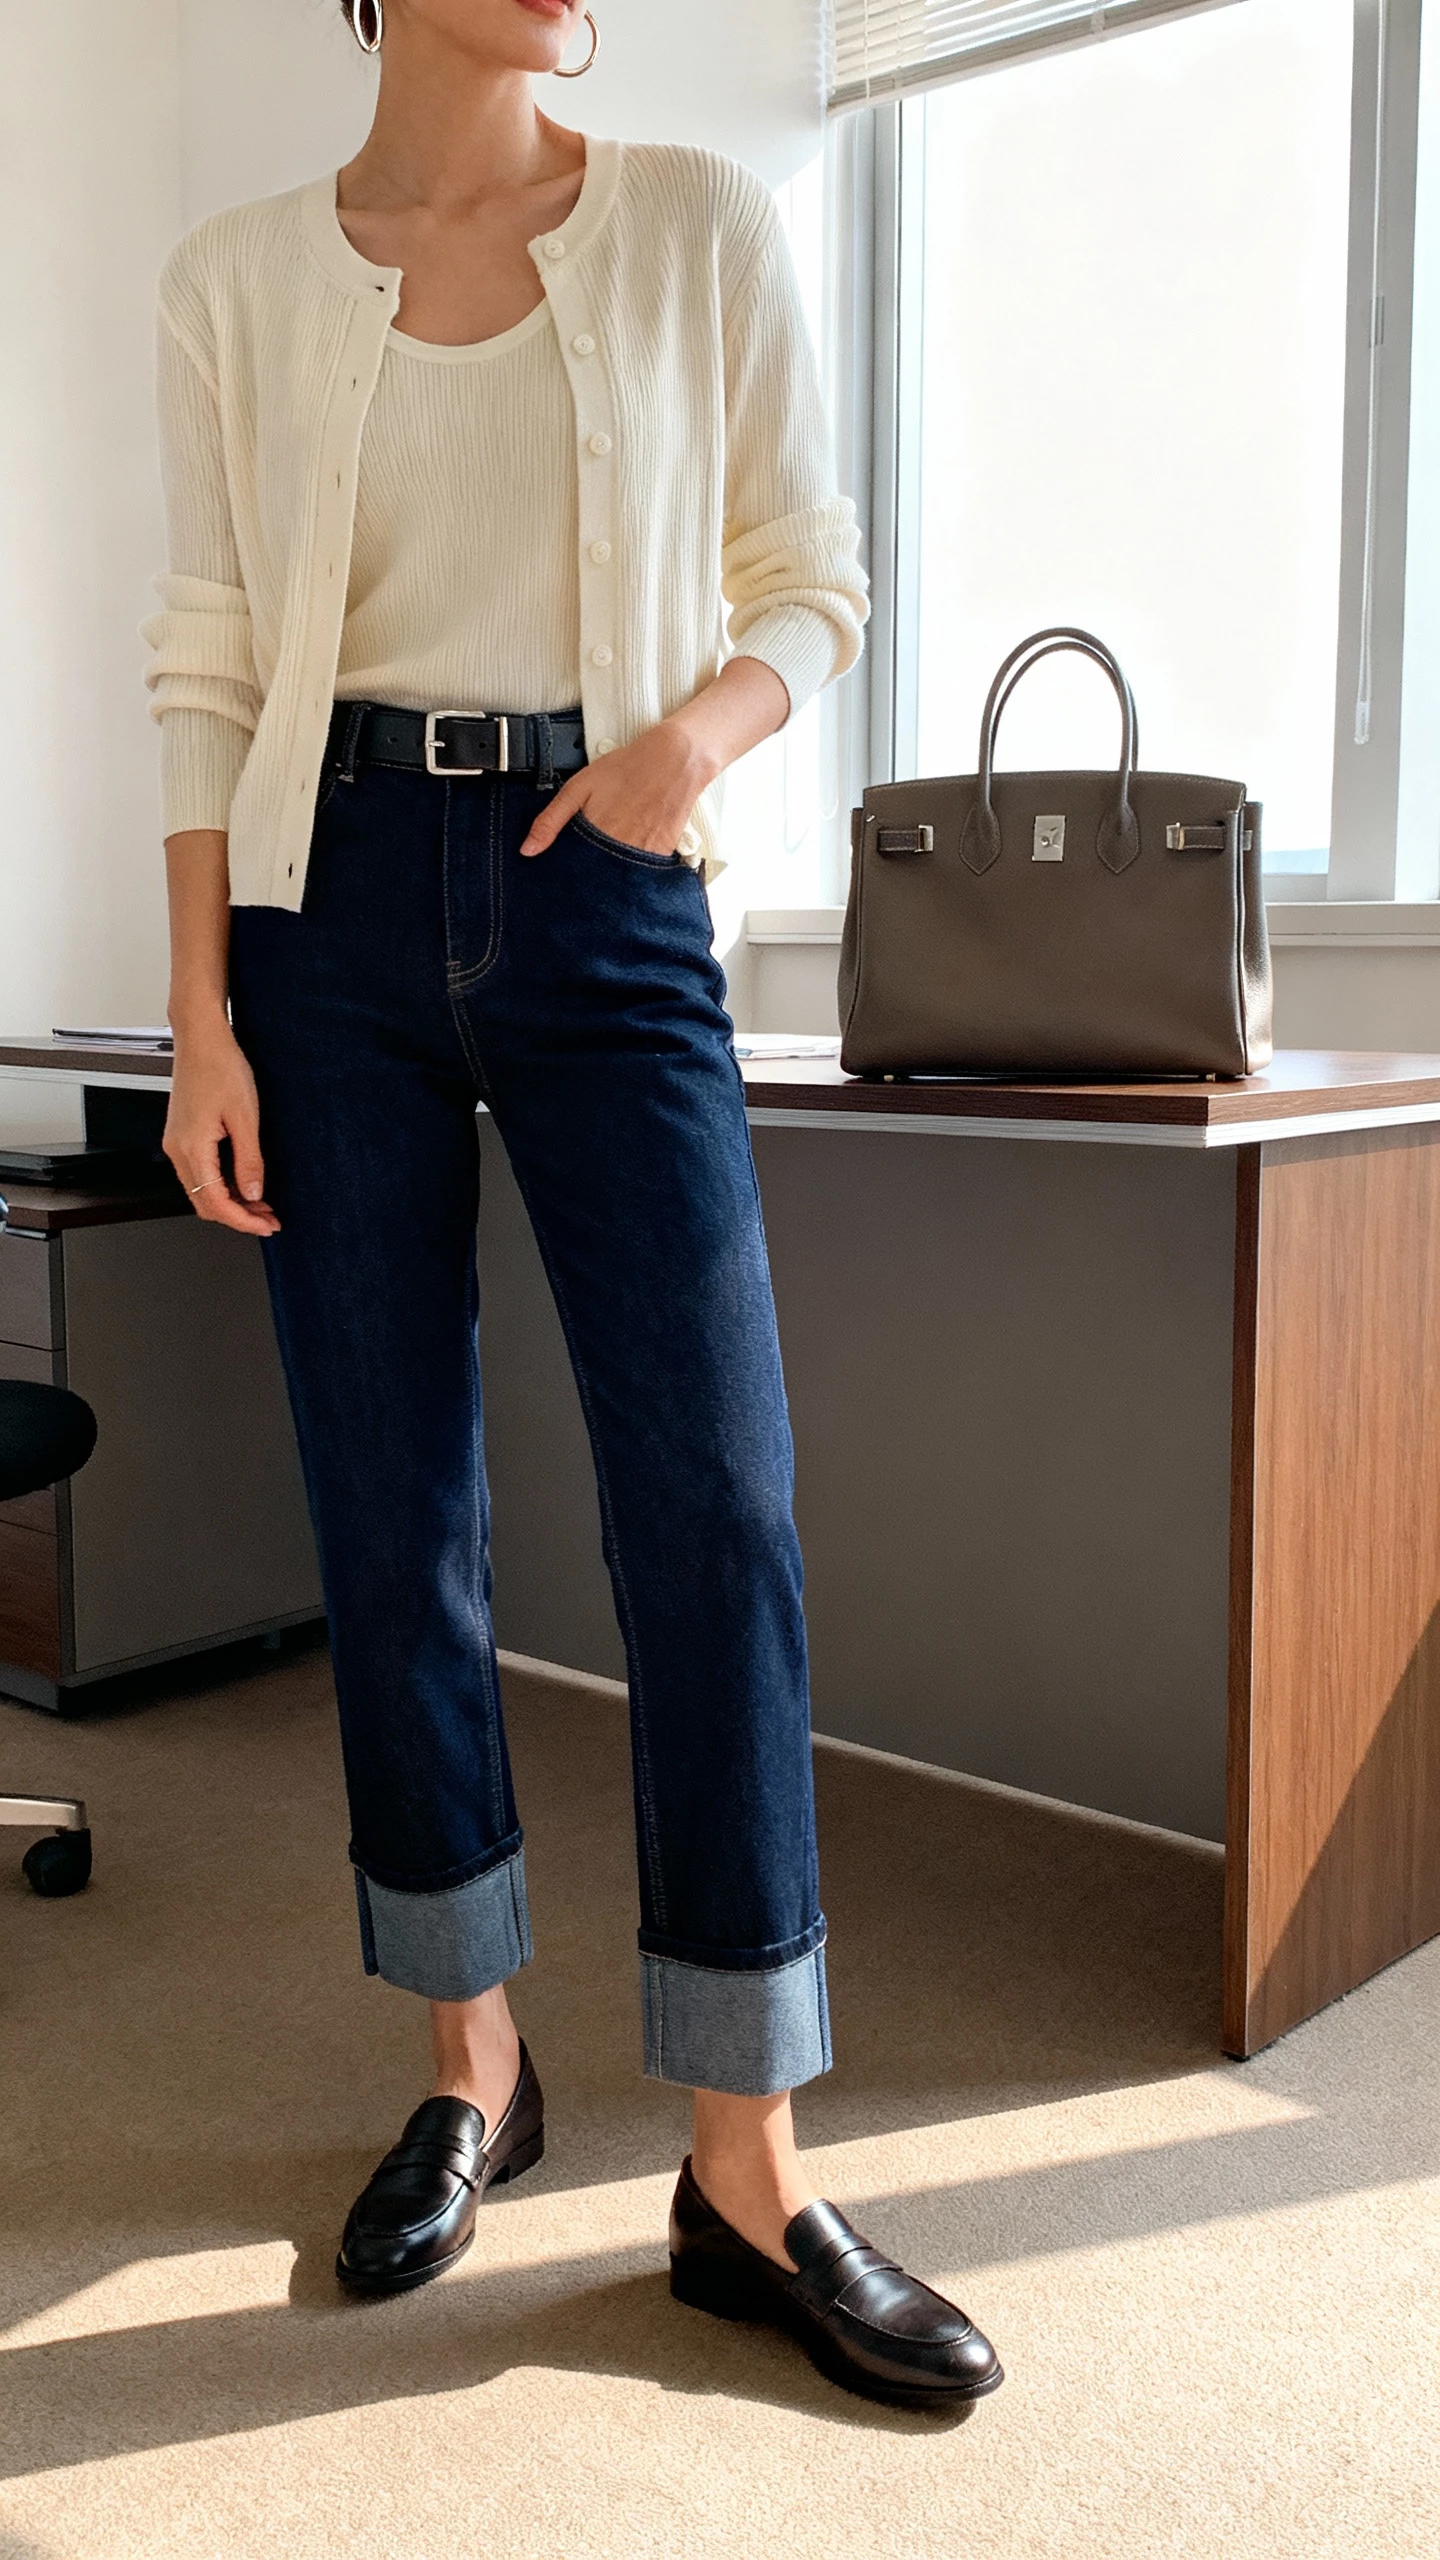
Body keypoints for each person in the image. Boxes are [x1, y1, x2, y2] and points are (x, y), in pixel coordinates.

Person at [146, 0, 1001, 2411]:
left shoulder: (695, 227)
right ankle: (474, 2057)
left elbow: (808, 581)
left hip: (606, 882)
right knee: (393, 1500)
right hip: (321, 920)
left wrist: (671, 757)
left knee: (714, 1497)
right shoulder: (231, 277)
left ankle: (750, 2154)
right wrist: (203, 1017)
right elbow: (205, 667)